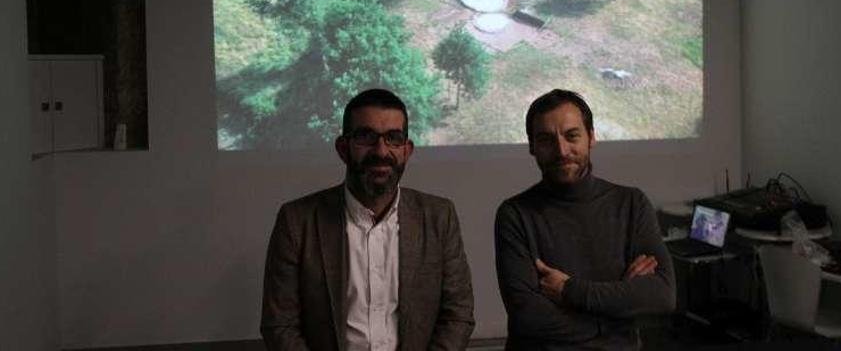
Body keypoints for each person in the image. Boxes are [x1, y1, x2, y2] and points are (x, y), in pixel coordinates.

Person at [261, 89, 475, 350]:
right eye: (366, 137)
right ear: (343, 148)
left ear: (407, 150)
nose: (381, 151)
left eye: (393, 138)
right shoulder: (297, 221)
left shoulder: (439, 217)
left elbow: (458, 315)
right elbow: (279, 324)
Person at [495, 89, 675, 350]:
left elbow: (662, 295)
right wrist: (618, 313)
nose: (561, 150)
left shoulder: (631, 203)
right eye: (546, 139)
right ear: (532, 147)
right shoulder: (515, 215)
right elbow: (529, 318)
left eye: (572, 136)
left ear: (591, 137)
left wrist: (569, 290)